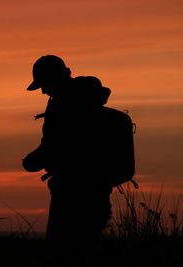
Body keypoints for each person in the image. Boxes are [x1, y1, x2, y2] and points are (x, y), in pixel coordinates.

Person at [22, 55, 115, 263]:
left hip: (70, 193)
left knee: (61, 253)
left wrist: (31, 161)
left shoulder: (65, 105)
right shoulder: (89, 102)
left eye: (44, 85)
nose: (44, 91)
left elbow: (56, 145)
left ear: (53, 79)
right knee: (88, 250)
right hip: (98, 190)